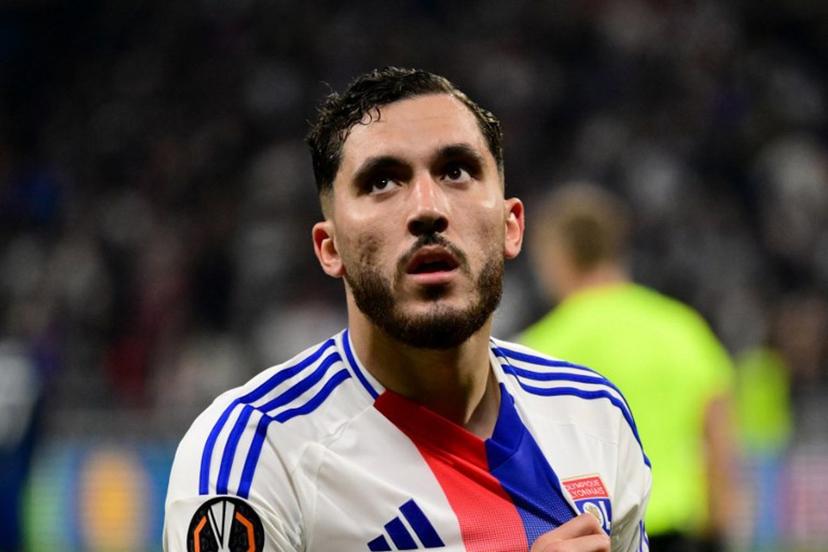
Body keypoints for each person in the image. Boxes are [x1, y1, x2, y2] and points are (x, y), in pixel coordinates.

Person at [164, 68, 650, 552]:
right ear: (330, 248)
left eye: (456, 171)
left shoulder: (592, 414)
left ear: (511, 226)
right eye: (382, 181)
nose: (427, 207)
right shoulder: (256, 455)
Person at [520, 183, 734, 552]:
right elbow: (718, 438)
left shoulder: (538, 350)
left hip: (595, 536)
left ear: (558, 255)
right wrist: (718, 529)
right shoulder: (683, 330)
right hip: (682, 533)